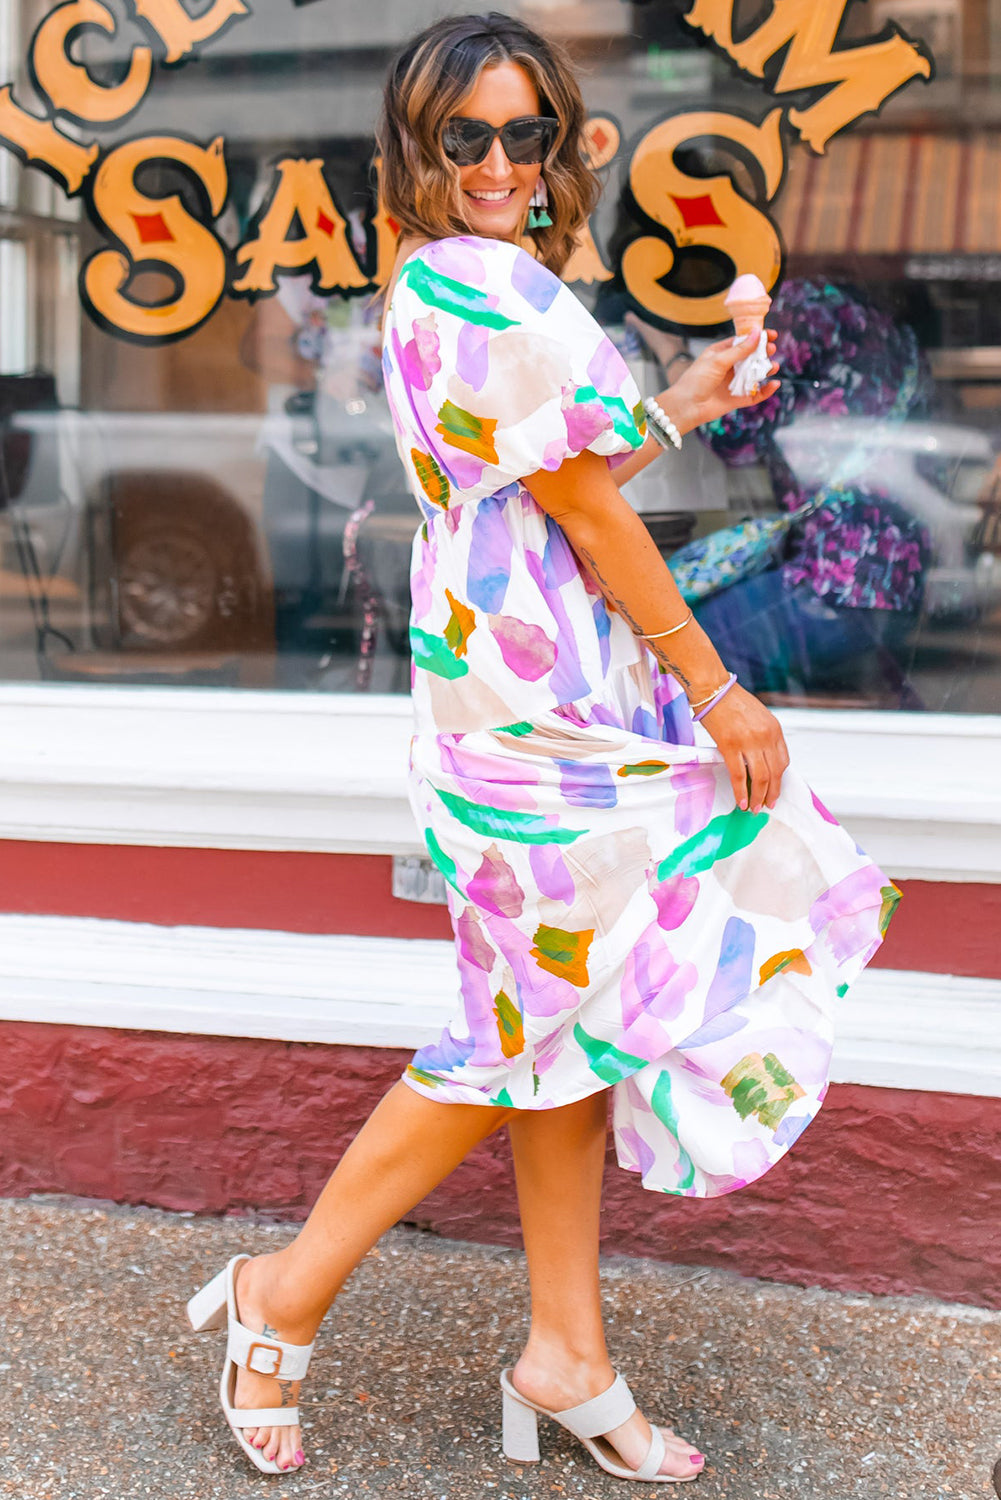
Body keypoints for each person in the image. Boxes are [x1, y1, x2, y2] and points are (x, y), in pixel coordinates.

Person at [186, 12, 898, 1484]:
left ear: (557, 140)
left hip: (529, 676)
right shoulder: (477, 279)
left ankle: (564, 1351)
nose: (500, 163)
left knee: (559, 1019)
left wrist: (684, 401)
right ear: (417, 149)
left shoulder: (460, 280)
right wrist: (715, 689)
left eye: (526, 135)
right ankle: (282, 1294)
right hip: (526, 705)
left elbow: (549, 478)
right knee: (518, 1027)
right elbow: (578, 510)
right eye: (467, 139)